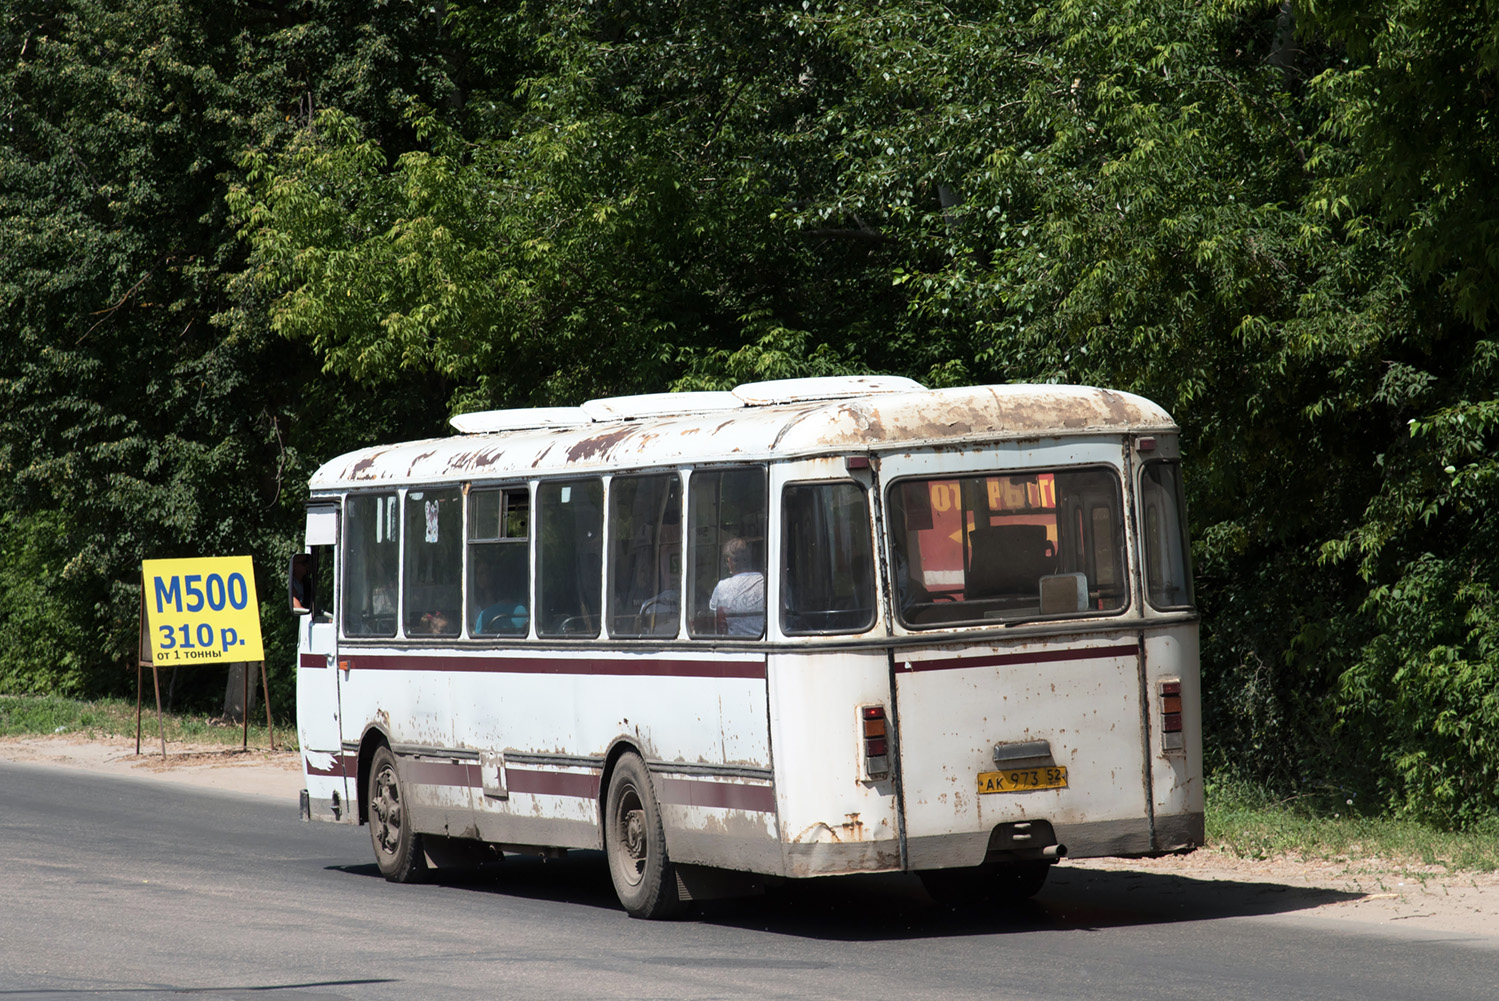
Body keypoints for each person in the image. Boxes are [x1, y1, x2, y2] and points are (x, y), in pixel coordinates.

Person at [708, 537, 764, 637]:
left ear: (729, 562)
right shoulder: (765, 582)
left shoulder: (722, 587)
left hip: (735, 645)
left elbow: (713, 613)